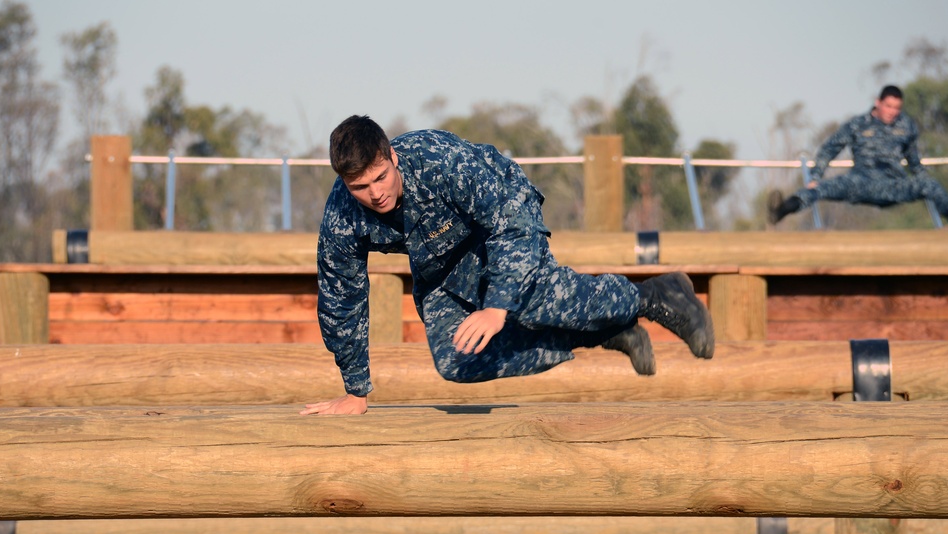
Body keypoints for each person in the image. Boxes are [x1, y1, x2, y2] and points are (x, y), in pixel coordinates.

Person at [301, 115, 714, 415]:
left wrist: (497, 306)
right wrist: (356, 391)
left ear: (391, 156)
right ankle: (609, 332)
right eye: (360, 187)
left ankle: (654, 296)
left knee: (536, 300)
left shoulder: (441, 162)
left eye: (381, 178)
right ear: (343, 182)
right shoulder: (342, 217)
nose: (375, 194)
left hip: (503, 216)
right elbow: (342, 300)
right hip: (441, 260)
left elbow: (512, 224)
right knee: (456, 359)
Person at [768, 85, 948, 227]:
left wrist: (922, 178)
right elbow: (830, 148)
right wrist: (816, 176)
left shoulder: (907, 126)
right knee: (819, 188)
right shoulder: (857, 124)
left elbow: (914, 161)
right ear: (878, 102)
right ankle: (780, 211)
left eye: (897, 108)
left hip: (894, 185)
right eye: (888, 106)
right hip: (860, 183)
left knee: (931, 185)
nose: (892, 112)